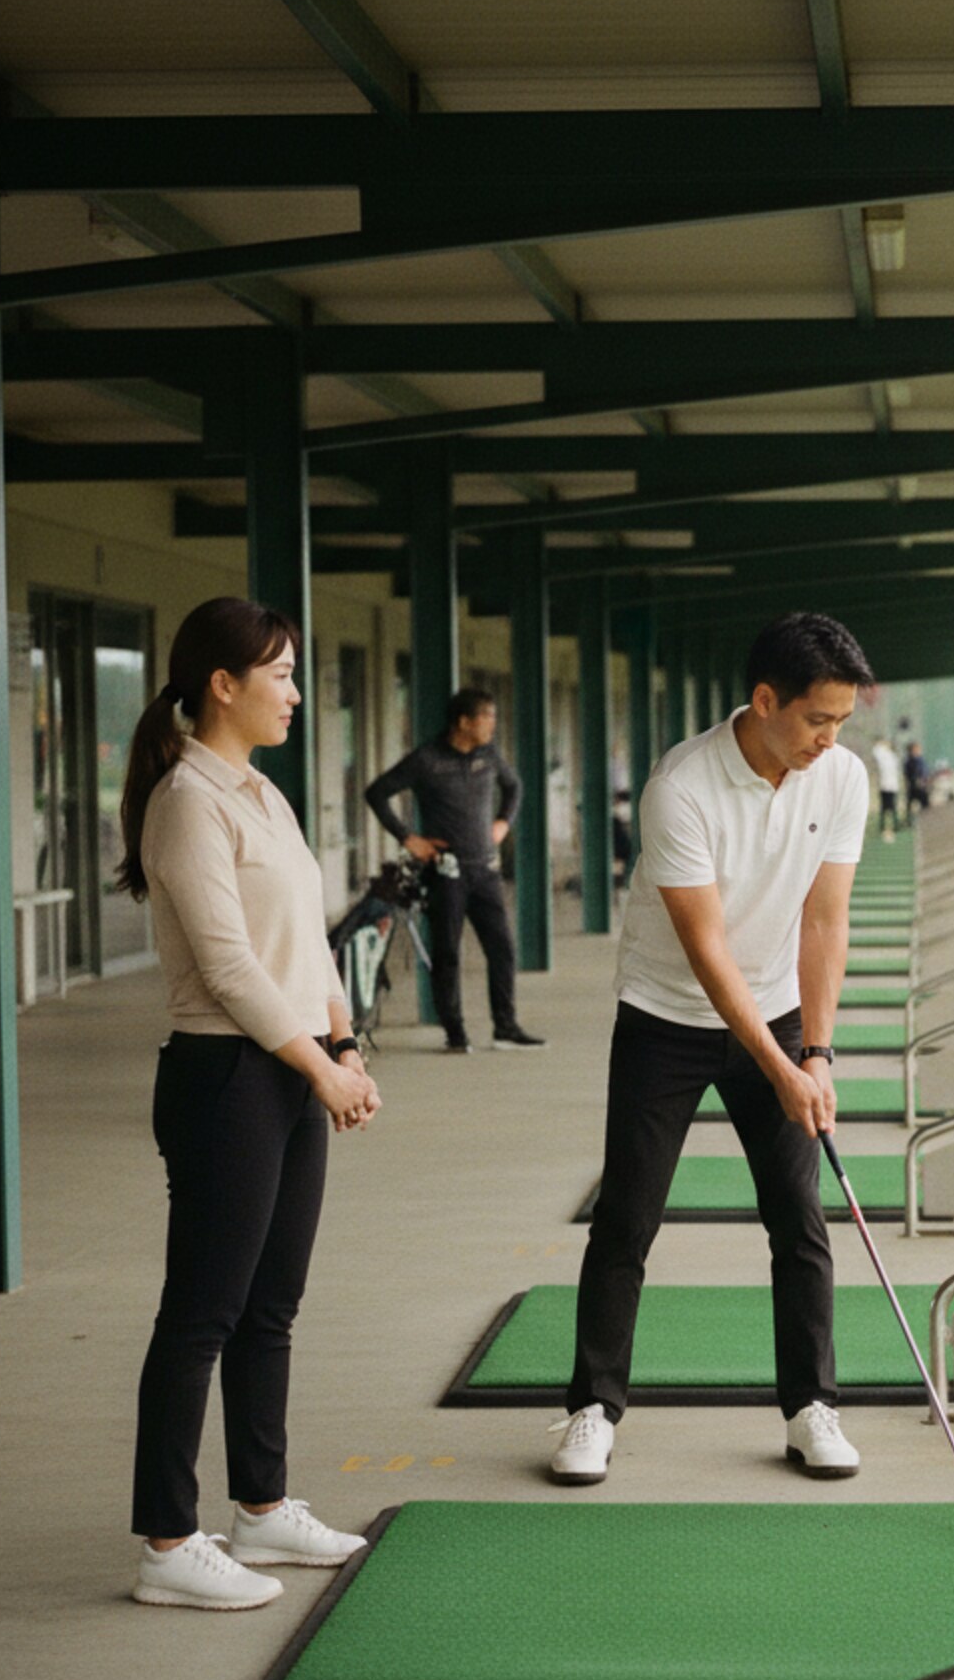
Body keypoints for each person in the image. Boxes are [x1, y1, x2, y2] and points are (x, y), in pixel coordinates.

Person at [550, 613, 875, 1487]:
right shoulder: (680, 787)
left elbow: (824, 920)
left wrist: (816, 1053)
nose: (831, 739)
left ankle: (811, 1407)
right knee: (627, 1217)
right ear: (765, 701)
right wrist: (777, 1068)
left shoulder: (842, 776)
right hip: (665, 1018)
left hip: (780, 1013)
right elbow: (708, 950)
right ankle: (593, 1409)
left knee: (798, 1216)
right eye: (817, 719)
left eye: (842, 721)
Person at [115, 597, 383, 1612]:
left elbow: (308, 942)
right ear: (222, 685)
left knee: (271, 1307)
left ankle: (261, 1506)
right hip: (225, 1077)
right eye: (280, 674)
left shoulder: (261, 792)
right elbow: (229, 967)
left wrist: (342, 1044)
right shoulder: (187, 799)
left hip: (291, 1067)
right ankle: (166, 1541)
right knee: (202, 1313)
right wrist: (320, 1070)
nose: (296, 693)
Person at [366, 687, 543, 1053]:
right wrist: (408, 838)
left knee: (502, 948)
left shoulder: (489, 755)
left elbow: (514, 787)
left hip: (485, 870)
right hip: (446, 872)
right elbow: (377, 792)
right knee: (447, 952)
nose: (493, 724)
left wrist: (503, 822)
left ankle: (506, 1027)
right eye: (486, 717)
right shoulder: (427, 759)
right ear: (463, 722)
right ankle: (455, 1033)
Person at [871, 732, 904, 840]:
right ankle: (882, 826)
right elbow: (876, 751)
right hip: (884, 785)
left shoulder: (891, 756)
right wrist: (881, 743)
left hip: (892, 785)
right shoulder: (882, 754)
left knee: (893, 807)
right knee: (884, 807)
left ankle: (895, 825)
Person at [903, 740, 932, 820]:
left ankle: (927, 819)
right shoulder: (909, 761)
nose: (919, 751)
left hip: (922, 787)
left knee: (925, 805)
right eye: (916, 749)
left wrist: (927, 781)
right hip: (914, 787)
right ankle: (909, 820)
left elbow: (926, 772)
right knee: (910, 806)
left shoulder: (921, 760)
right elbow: (908, 775)